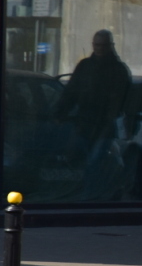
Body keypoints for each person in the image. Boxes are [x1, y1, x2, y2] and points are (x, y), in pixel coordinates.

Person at [57, 29, 133, 197]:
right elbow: (71, 93)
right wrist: (60, 114)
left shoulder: (118, 70)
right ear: (93, 45)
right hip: (83, 123)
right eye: (97, 45)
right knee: (79, 162)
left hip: (105, 126)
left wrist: (120, 122)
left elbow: (122, 101)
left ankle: (91, 196)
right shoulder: (85, 67)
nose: (100, 49)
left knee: (94, 162)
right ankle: (86, 194)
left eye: (103, 45)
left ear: (110, 46)